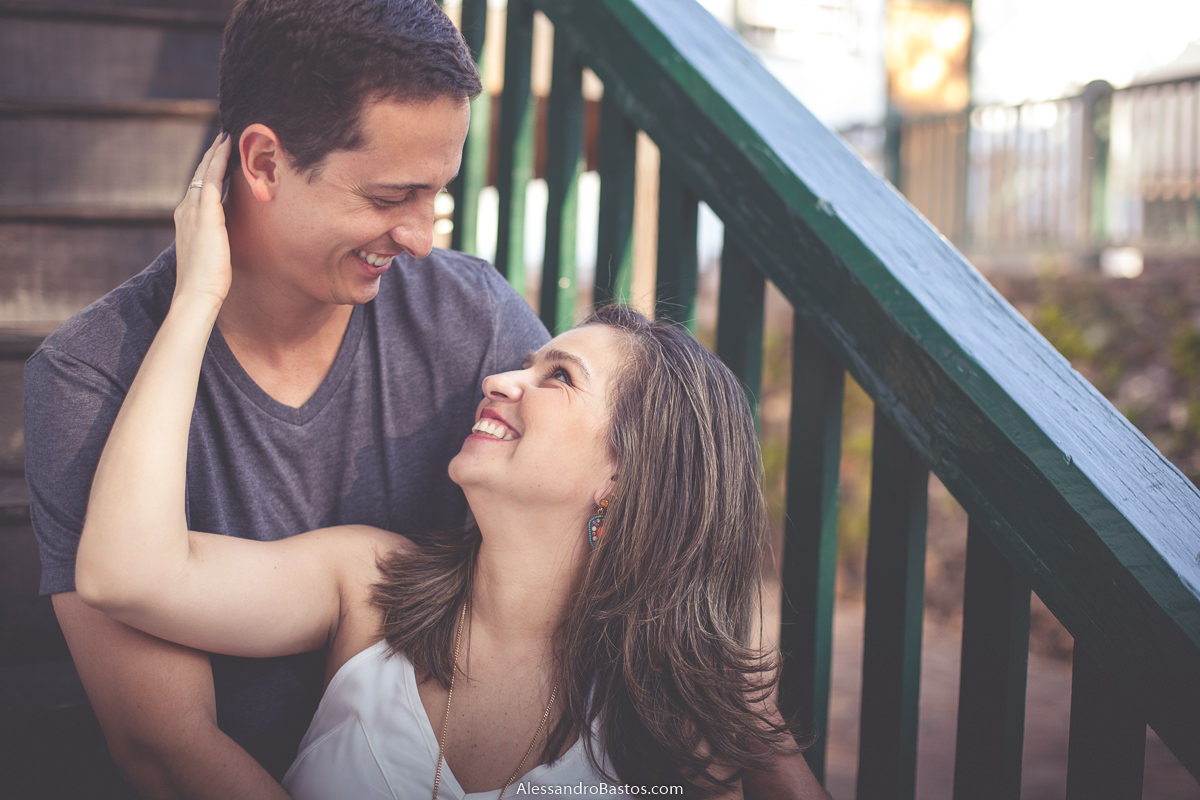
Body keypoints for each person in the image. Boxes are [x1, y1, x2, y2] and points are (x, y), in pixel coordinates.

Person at [74, 133, 829, 799]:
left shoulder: (662, 724)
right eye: (527, 364)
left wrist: (734, 704)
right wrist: (200, 295)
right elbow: (125, 574)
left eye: (557, 378)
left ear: (626, 478)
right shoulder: (368, 587)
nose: (502, 379)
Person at [23, 0, 548, 796]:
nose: (420, 236)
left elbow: (635, 533)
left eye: (434, 193)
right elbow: (168, 748)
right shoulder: (89, 378)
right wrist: (195, 302)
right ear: (262, 164)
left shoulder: (469, 317)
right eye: (387, 196)